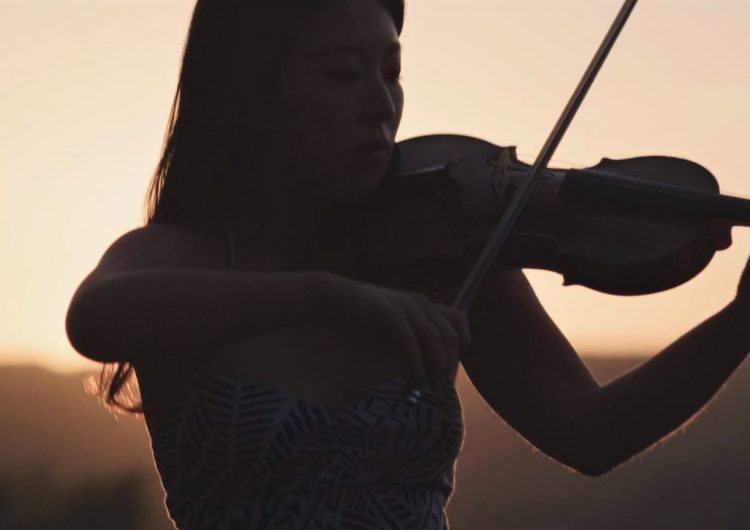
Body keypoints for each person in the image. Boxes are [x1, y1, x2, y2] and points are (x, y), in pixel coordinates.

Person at [65, 0, 750, 528]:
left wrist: (739, 322)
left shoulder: (445, 239)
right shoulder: (185, 260)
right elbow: (96, 318)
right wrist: (327, 296)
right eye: (343, 74)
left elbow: (591, 433)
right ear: (251, 94)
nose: (381, 103)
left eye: (390, 72)